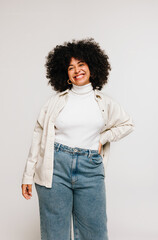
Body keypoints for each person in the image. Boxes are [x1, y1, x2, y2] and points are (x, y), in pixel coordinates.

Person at [21, 38, 134, 240]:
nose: (77, 70)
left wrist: (103, 138)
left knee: (95, 232)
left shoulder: (104, 103)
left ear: (92, 67)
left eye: (81, 64)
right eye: (71, 67)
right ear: (65, 74)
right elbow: (37, 139)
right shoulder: (54, 103)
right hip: (54, 167)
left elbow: (127, 124)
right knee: (54, 232)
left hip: (90, 167)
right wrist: (28, 175)